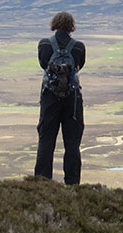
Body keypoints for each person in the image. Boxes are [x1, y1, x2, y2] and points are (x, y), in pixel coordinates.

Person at [35, 11, 86, 184]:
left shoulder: (44, 45)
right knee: (72, 143)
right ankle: (72, 185)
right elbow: (80, 65)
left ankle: (42, 183)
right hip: (72, 100)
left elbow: (43, 64)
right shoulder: (78, 46)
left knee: (46, 140)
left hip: (50, 98)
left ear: (54, 23)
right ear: (72, 25)